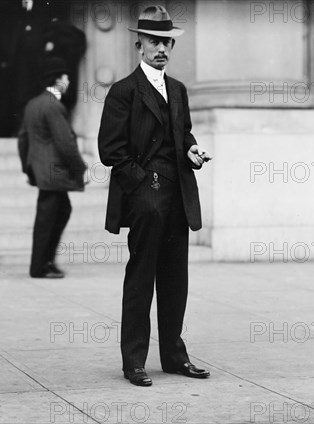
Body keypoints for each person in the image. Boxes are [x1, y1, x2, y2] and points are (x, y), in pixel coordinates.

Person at [98, 5, 213, 386]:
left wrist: (192, 151)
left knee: (175, 280)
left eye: (166, 42)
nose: (161, 48)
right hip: (147, 199)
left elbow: (183, 134)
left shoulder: (178, 90)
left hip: (178, 195)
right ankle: (134, 361)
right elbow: (110, 150)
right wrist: (142, 186)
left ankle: (174, 357)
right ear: (139, 45)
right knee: (141, 278)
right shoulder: (124, 92)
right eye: (154, 42)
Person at [18, 57, 87, 279]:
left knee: (59, 212)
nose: (68, 81)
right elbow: (65, 142)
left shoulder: (33, 104)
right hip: (54, 172)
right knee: (49, 218)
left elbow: (23, 139)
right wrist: (80, 168)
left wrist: (28, 168)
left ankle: (46, 262)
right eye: (66, 77)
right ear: (58, 80)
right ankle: (40, 266)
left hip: (43, 171)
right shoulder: (54, 106)